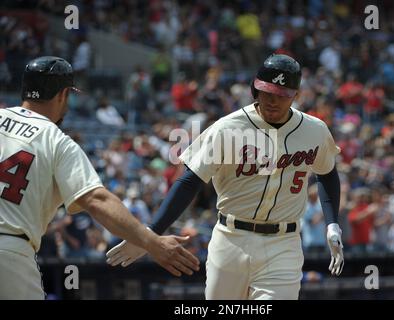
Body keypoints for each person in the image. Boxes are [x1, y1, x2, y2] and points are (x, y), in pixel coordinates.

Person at [107, 54, 344, 300]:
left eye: (282, 94)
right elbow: (190, 181)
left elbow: (327, 174)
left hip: (283, 245)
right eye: (267, 92)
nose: (273, 101)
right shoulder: (227, 128)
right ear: (255, 90)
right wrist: (150, 233)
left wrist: (332, 223)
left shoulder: (314, 130)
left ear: (295, 95)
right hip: (232, 240)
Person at [0, 56, 199, 300]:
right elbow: (97, 200)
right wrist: (153, 242)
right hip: (8, 253)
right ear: (63, 94)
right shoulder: (56, 141)